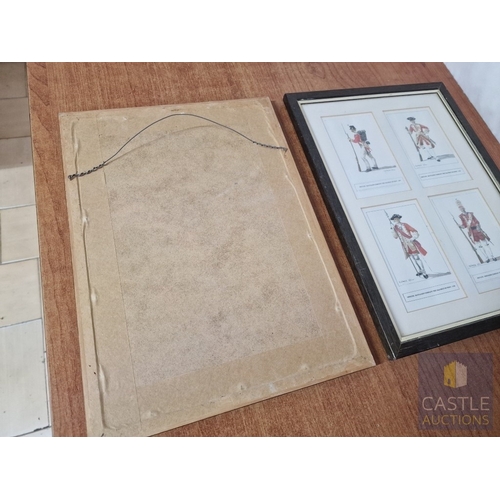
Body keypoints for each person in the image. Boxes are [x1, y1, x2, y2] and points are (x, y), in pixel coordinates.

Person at [390, 214, 428, 278]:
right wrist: (392, 230)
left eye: (396, 219)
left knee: (416, 258)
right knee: (413, 258)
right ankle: (420, 270)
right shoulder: (395, 228)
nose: (395, 220)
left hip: (411, 243)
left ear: (399, 219)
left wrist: (413, 238)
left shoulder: (405, 225)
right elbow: (395, 237)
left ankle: (424, 272)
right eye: (394, 219)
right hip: (405, 245)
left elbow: (414, 231)